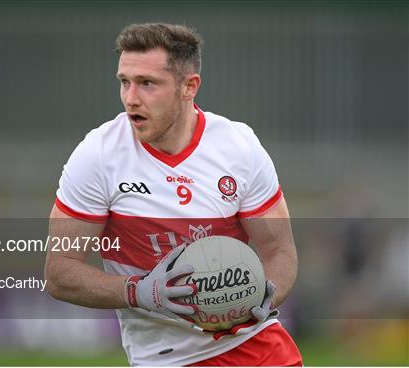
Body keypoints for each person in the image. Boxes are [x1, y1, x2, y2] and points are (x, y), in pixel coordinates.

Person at [46, 23, 302, 366]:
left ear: (189, 87)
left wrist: (268, 294)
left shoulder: (239, 147)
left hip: (258, 349)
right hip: (166, 359)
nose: (130, 98)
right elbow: (60, 272)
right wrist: (142, 291)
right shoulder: (99, 156)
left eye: (147, 83)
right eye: (124, 82)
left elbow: (280, 251)